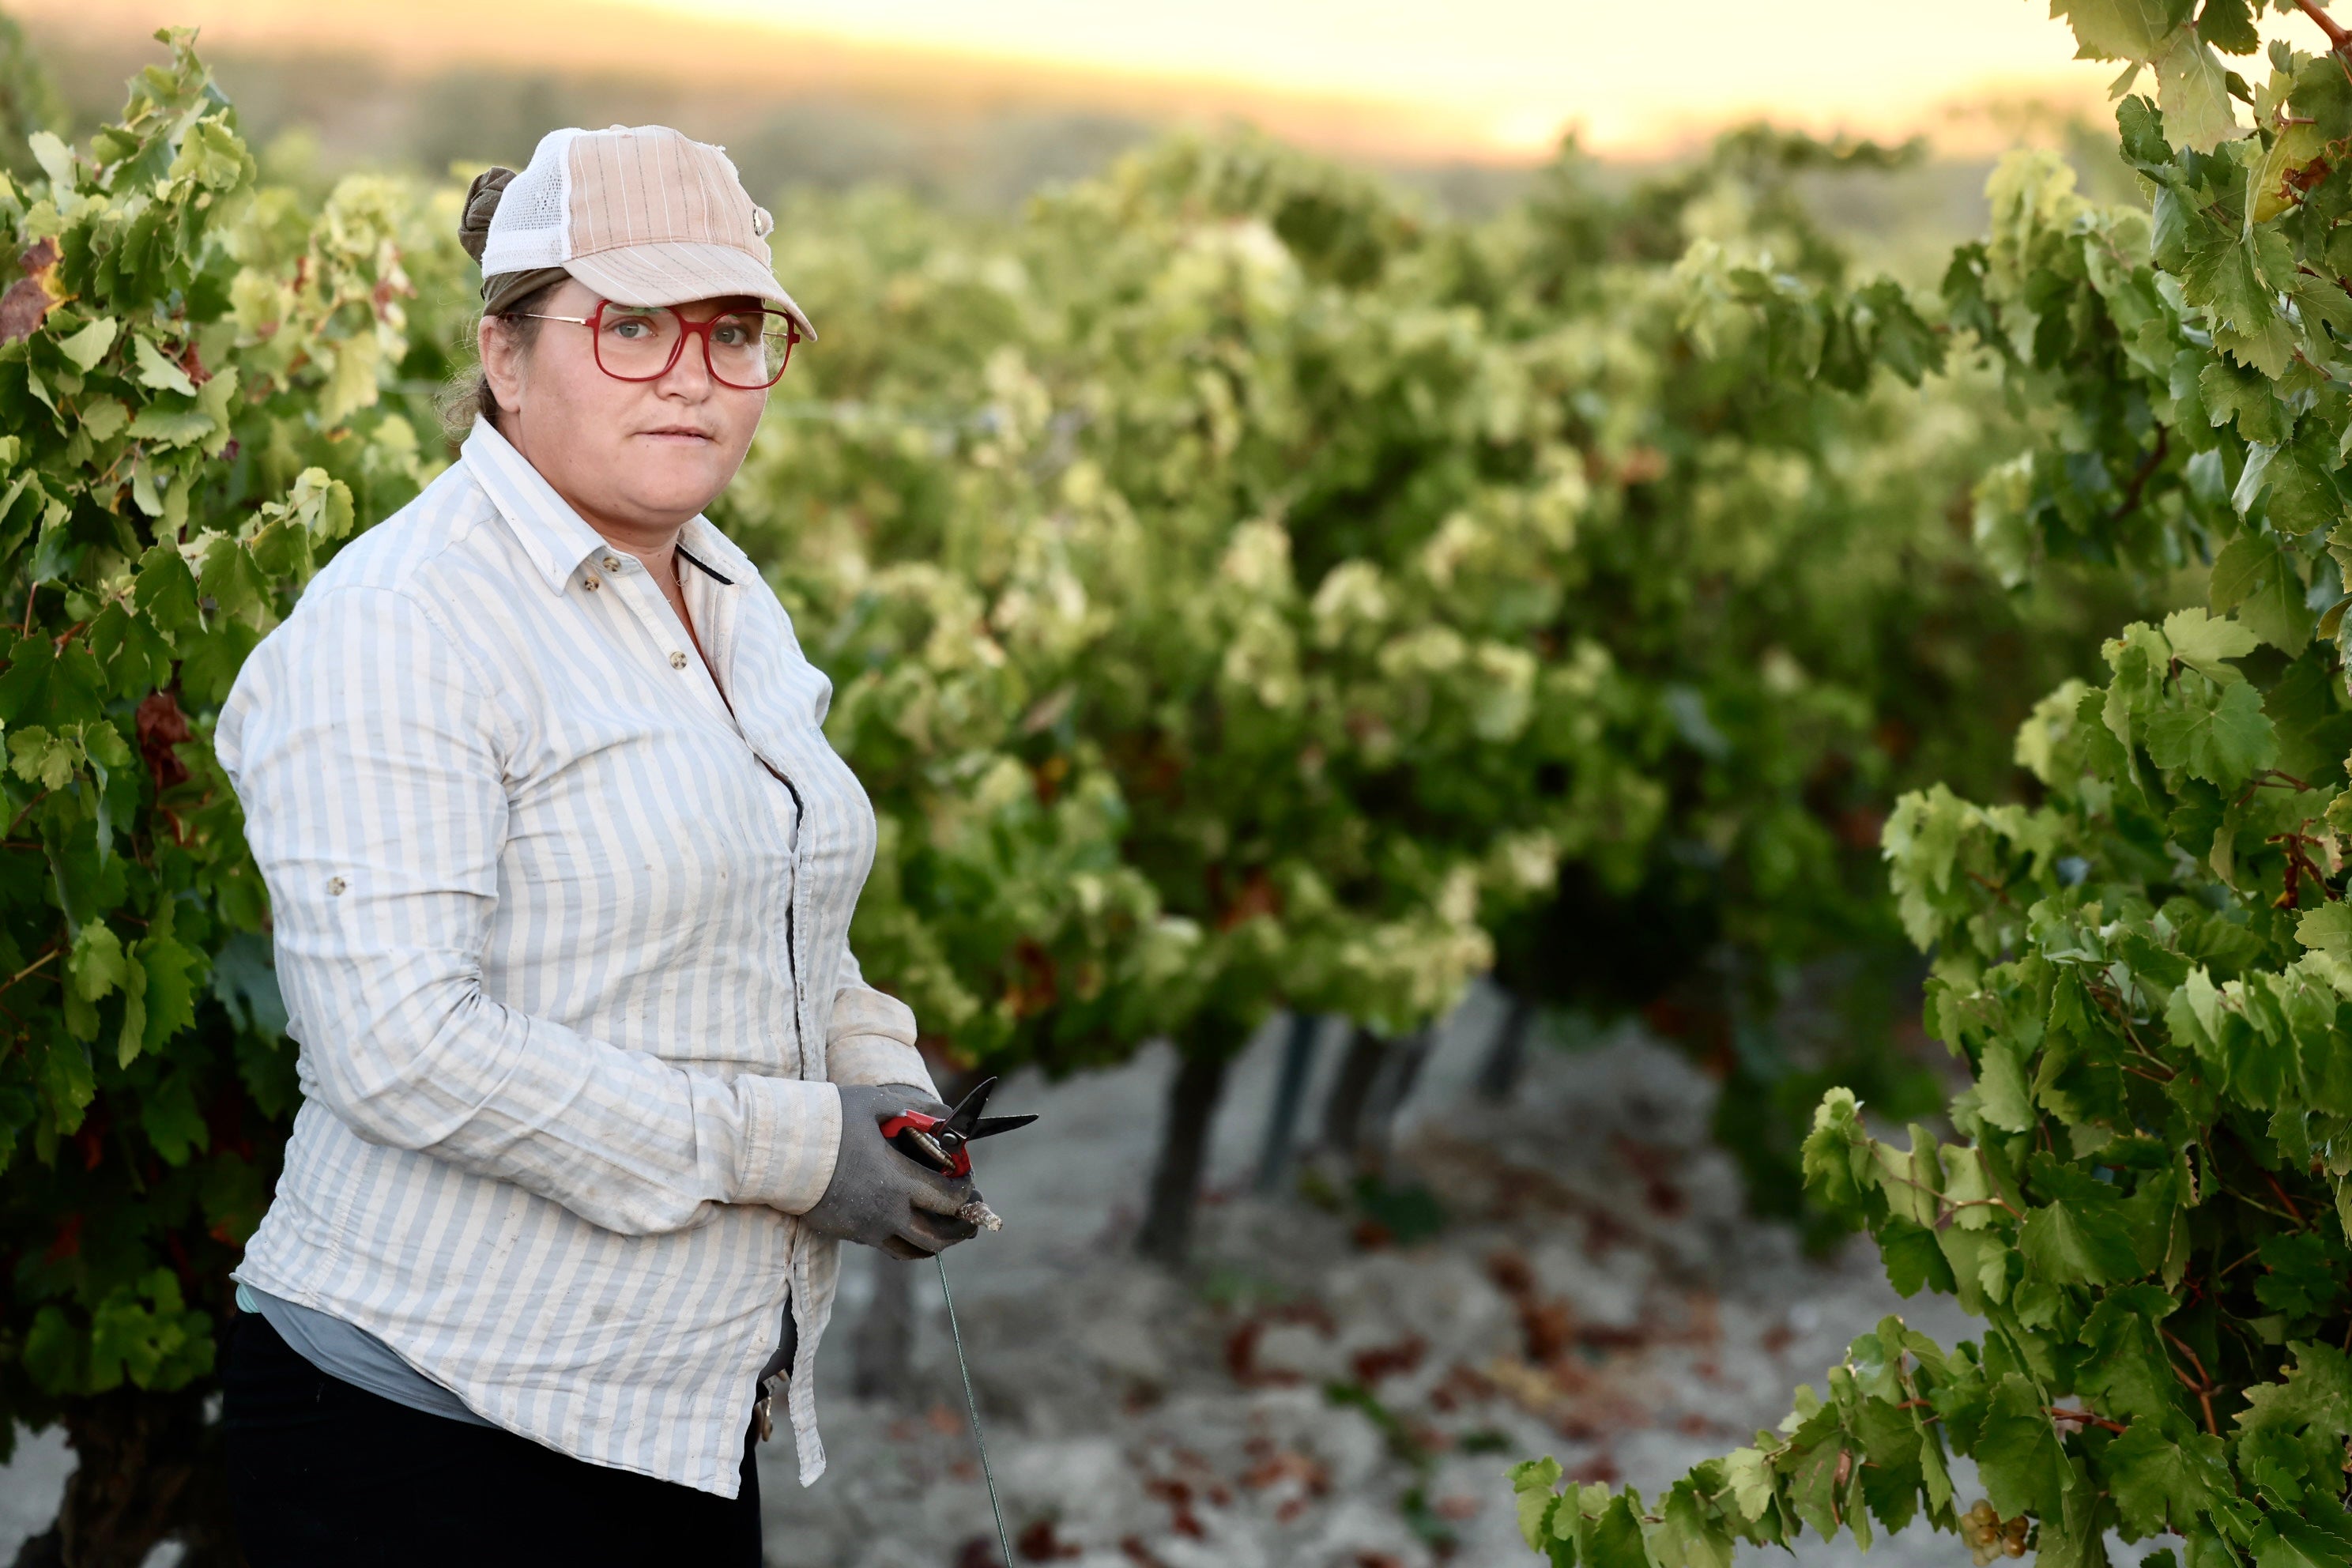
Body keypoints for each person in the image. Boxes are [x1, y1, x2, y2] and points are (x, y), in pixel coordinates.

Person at [217, 123, 978, 1566]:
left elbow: (776, 900)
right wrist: (796, 1148)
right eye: (632, 326)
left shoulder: (727, 593)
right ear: (506, 355)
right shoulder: (405, 624)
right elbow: (402, 1047)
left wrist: (868, 1059)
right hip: (428, 1429)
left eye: (734, 330)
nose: (693, 372)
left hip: (668, 1409)